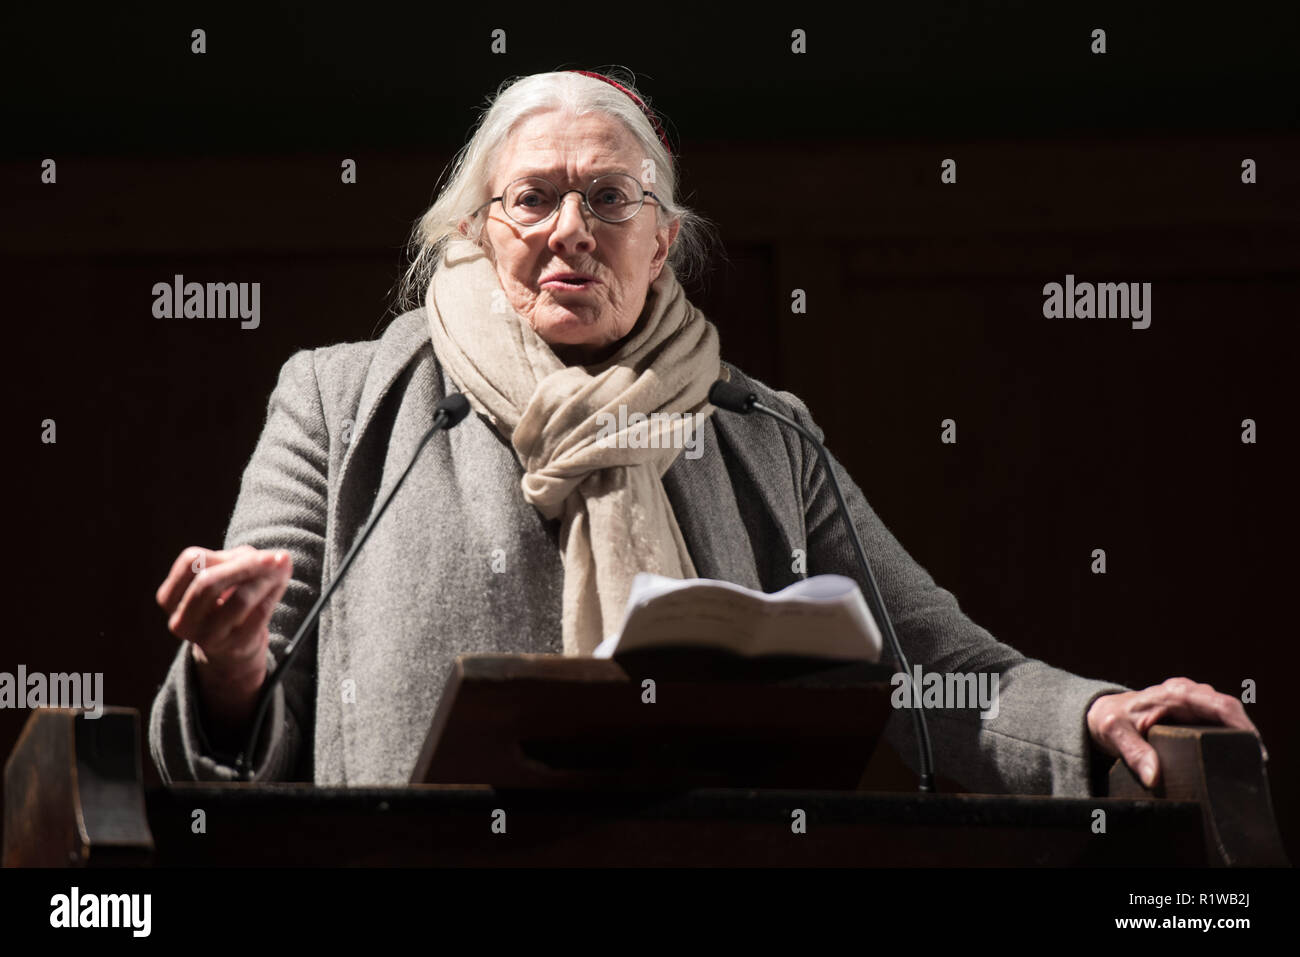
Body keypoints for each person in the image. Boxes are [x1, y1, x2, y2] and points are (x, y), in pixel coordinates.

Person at [149, 69, 1262, 791]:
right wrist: (231, 655)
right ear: (482, 233)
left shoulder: (762, 435)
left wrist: (1099, 712)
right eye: (532, 199)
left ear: (663, 240)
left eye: (609, 200)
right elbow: (235, 721)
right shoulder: (342, 403)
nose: (568, 232)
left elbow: (936, 662)